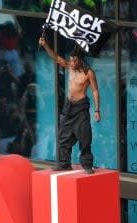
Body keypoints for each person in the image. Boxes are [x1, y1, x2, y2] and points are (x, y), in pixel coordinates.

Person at [39, 37, 100, 174]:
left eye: (74, 60)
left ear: (80, 59)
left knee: (84, 137)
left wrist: (97, 110)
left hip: (81, 108)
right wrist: (45, 45)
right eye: (71, 60)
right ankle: (64, 163)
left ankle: (87, 165)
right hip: (68, 107)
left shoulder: (88, 72)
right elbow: (57, 58)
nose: (71, 62)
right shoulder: (70, 67)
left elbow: (95, 91)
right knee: (63, 137)